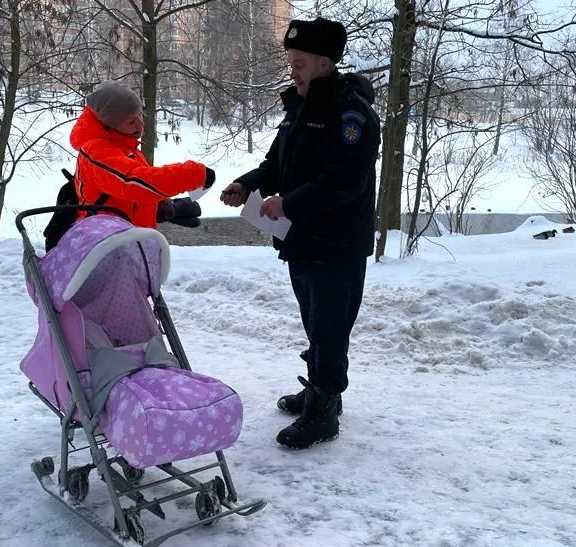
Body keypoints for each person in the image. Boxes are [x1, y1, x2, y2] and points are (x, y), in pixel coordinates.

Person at [220, 17, 381, 450]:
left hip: (338, 241)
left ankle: (325, 408)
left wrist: (288, 203)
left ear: (325, 62)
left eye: (300, 63)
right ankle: (319, 387)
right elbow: (278, 165)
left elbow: (342, 181)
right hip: (302, 238)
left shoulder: (352, 115)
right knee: (315, 319)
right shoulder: (300, 107)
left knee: (329, 323)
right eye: (291, 62)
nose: (292, 70)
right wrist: (249, 184)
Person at [69, 80, 212, 229]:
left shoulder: (125, 147)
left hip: (128, 241)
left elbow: (126, 195)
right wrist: (192, 175)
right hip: (105, 243)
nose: (140, 124)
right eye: (131, 122)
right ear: (110, 126)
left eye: (140, 114)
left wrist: (160, 206)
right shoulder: (95, 151)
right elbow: (132, 182)